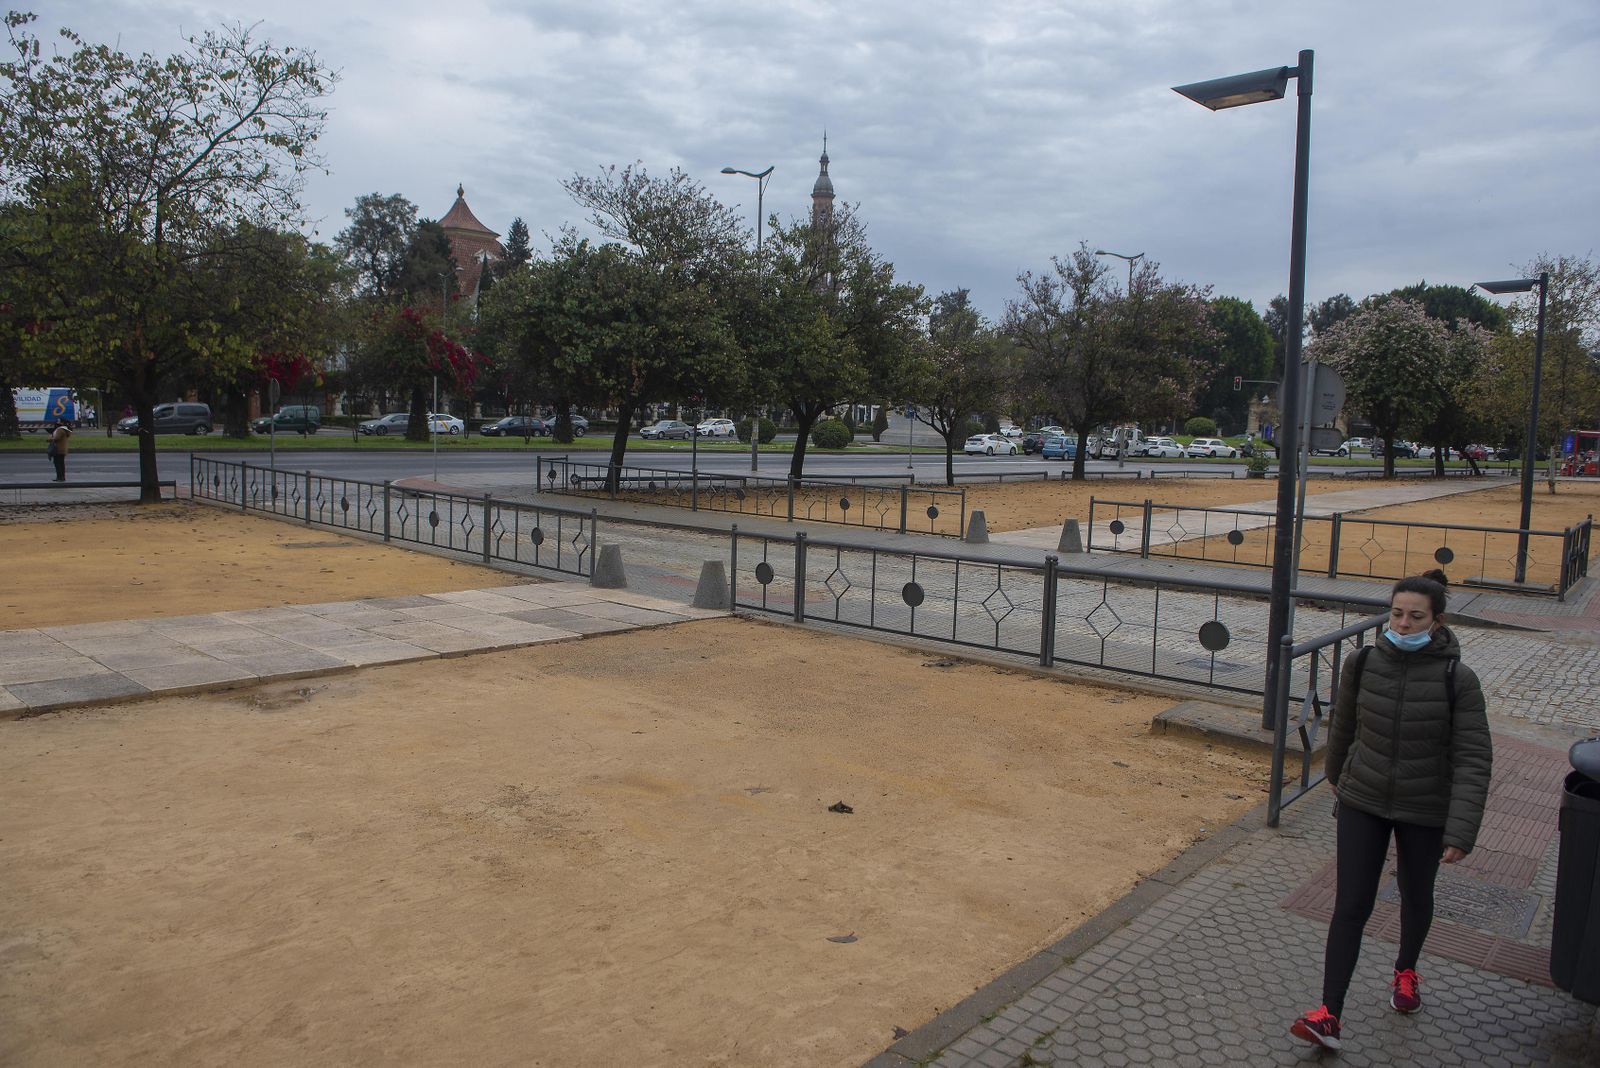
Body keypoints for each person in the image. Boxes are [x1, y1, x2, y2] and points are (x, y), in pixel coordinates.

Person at [1291, 569, 1492, 1051]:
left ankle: (1406, 971)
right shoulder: (1362, 664)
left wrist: (1461, 829)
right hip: (1364, 799)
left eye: (1415, 617)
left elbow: (1472, 756)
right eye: (1397, 614)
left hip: (1425, 808)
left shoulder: (1457, 679)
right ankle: (1329, 1015)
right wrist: (1337, 776)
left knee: (1415, 893)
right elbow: (1343, 724)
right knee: (1351, 904)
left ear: (1437, 622)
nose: (1402, 625)